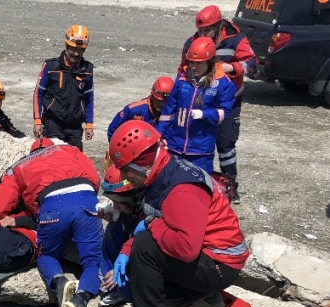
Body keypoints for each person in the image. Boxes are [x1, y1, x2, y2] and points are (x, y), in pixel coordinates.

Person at [103, 121, 249, 307]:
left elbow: (185, 248)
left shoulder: (181, 190)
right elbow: (152, 219)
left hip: (220, 264)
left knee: (145, 247)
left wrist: (152, 226)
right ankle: (197, 297)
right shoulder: (163, 172)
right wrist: (125, 251)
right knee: (145, 249)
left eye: (126, 171)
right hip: (213, 258)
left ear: (138, 165)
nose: (126, 178)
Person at [0, 137, 102, 307]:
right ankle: (81, 298)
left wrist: (17, 218)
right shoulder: (71, 150)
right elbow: (95, 179)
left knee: (45, 254)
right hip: (86, 199)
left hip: (52, 206)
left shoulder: (20, 165)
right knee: (93, 261)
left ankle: (59, 282)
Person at [179, 4, 257, 202]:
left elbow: (253, 65)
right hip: (201, 99)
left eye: (207, 30)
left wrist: (233, 66)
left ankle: (230, 184)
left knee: (225, 143)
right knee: (198, 140)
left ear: (218, 25)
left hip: (228, 100)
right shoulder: (192, 43)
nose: (203, 34)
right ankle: (197, 183)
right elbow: (183, 69)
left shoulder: (235, 39)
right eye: (200, 30)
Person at [156, 36, 236, 174]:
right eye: (191, 62)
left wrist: (204, 115)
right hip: (175, 146)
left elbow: (224, 113)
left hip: (201, 151)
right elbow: (168, 112)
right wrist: (157, 136)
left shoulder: (223, 83)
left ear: (209, 61)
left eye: (198, 63)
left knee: (199, 188)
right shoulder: (182, 80)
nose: (194, 67)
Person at [32, 25, 94, 151]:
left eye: (81, 50)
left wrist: (89, 124)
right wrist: (37, 121)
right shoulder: (50, 66)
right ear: (67, 46)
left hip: (75, 127)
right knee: (54, 161)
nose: (76, 53)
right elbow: (38, 94)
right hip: (53, 123)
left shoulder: (87, 70)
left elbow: (89, 98)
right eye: (74, 48)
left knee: (75, 163)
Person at [95, 165, 146, 307]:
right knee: (114, 228)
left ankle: (121, 285)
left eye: (118, 202)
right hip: (132, 246)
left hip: (149, 264)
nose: (115, 206)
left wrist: (128, 269)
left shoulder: (150, 213)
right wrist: (116, 216)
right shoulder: (132, 208)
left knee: (127, 291)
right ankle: (110, 286)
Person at [105, 76, 174, 148]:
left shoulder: (173, 114)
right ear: (152, 96)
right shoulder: (133, 110)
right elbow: (113, 129)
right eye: (158, 102)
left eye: (164, 102)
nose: (161, 105)